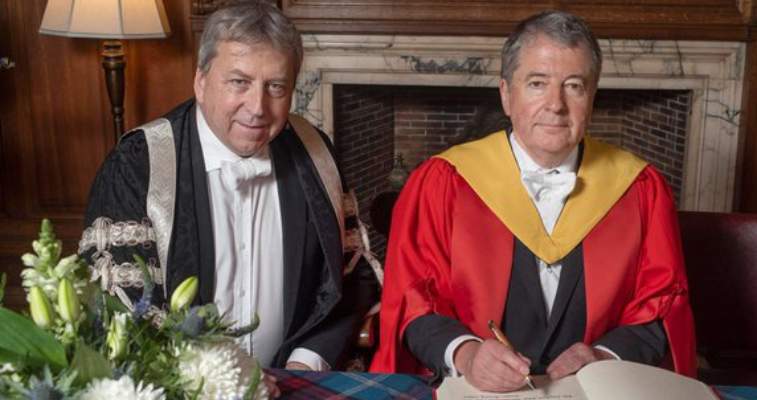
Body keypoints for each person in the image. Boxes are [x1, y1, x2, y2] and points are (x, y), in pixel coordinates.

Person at [370, 11, 695, 392]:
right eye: (537, 83)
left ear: (592, 97)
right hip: (477, 392)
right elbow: (413, 300)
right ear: (506, 94)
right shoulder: (442, 183)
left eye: (573, 86)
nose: (555, 104)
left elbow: (663, 305)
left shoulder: (641, 189)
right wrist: (467, 354)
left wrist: (604, 356)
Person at [78, 0, 380, 381]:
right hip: (182, 387)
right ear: (200, 81)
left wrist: (303, 365)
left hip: (294, 382)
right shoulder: (138, 164)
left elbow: (348, 281)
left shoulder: (315, 152)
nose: (257, 107)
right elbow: (121, 311)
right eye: (239, 81)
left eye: (276, 86)